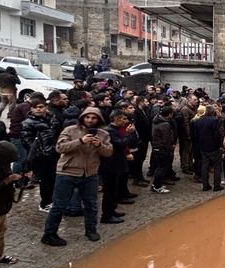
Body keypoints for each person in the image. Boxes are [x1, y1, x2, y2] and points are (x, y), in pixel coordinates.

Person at [42, 107, 113, 246]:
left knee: (91, 205)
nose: (90, 120)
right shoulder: (70, 130)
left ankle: (91, 230)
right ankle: (49, 234)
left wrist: (99, 145)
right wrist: (81, 141)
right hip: (67, 173)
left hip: (90, 174)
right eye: (87, 117)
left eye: (93, 118)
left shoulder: (103, 134)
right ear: (82, 118)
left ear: (98, 119)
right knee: (59, 206)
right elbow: (60, 148)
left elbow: (109, 152)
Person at [100, 110, 138, 224]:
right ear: (117, 119)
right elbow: (120, 144)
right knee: (109, 190)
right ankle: (106, 215)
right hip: (110, 165)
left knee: (113, 189)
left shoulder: (114, 130)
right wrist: (128, 133)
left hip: (116, 163)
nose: (125, 121)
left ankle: (111, 210)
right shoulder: (110, 131)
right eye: (123, 119)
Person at [21, 97, 58, 212]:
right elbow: (26, 141)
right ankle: (45, 203)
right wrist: (38, 151)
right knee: (45, 181)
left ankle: (51, 200)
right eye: (35, 107)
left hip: (53, 153)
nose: (38, 110)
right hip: (41, 156)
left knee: (53, 179)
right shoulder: (28, 123)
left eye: (41, 107)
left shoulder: (51, 119)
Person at [197, 105, 224, 191]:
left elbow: (196, 133)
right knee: (217, 167)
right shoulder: (215, 120)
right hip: (213, 147)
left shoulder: (200, 120)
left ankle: (205, 185)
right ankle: (217, 185)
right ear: (213, 112)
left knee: (204, 166)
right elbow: (217, 134)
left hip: (203, 146)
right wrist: (220, 145)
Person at [149, 106, 175, 193]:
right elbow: (166, 139)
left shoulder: (157, 120)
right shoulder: (165, 124)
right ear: (169, 114)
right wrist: (169, 150)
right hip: (162, 149)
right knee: (161, 168)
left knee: (160, 167)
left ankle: (156, 184)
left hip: (157, 147)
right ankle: (157, 186)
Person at [179, 95, 198, 175]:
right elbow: (185, 123)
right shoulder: (185, 110)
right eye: (195, 99)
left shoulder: (193, 108)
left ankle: (190, 165)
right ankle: (185, 167)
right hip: (186, 134)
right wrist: (189, 134)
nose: (196, 101)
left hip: (193, 133)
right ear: (189, 100)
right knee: (186, 151)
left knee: (191, 151)